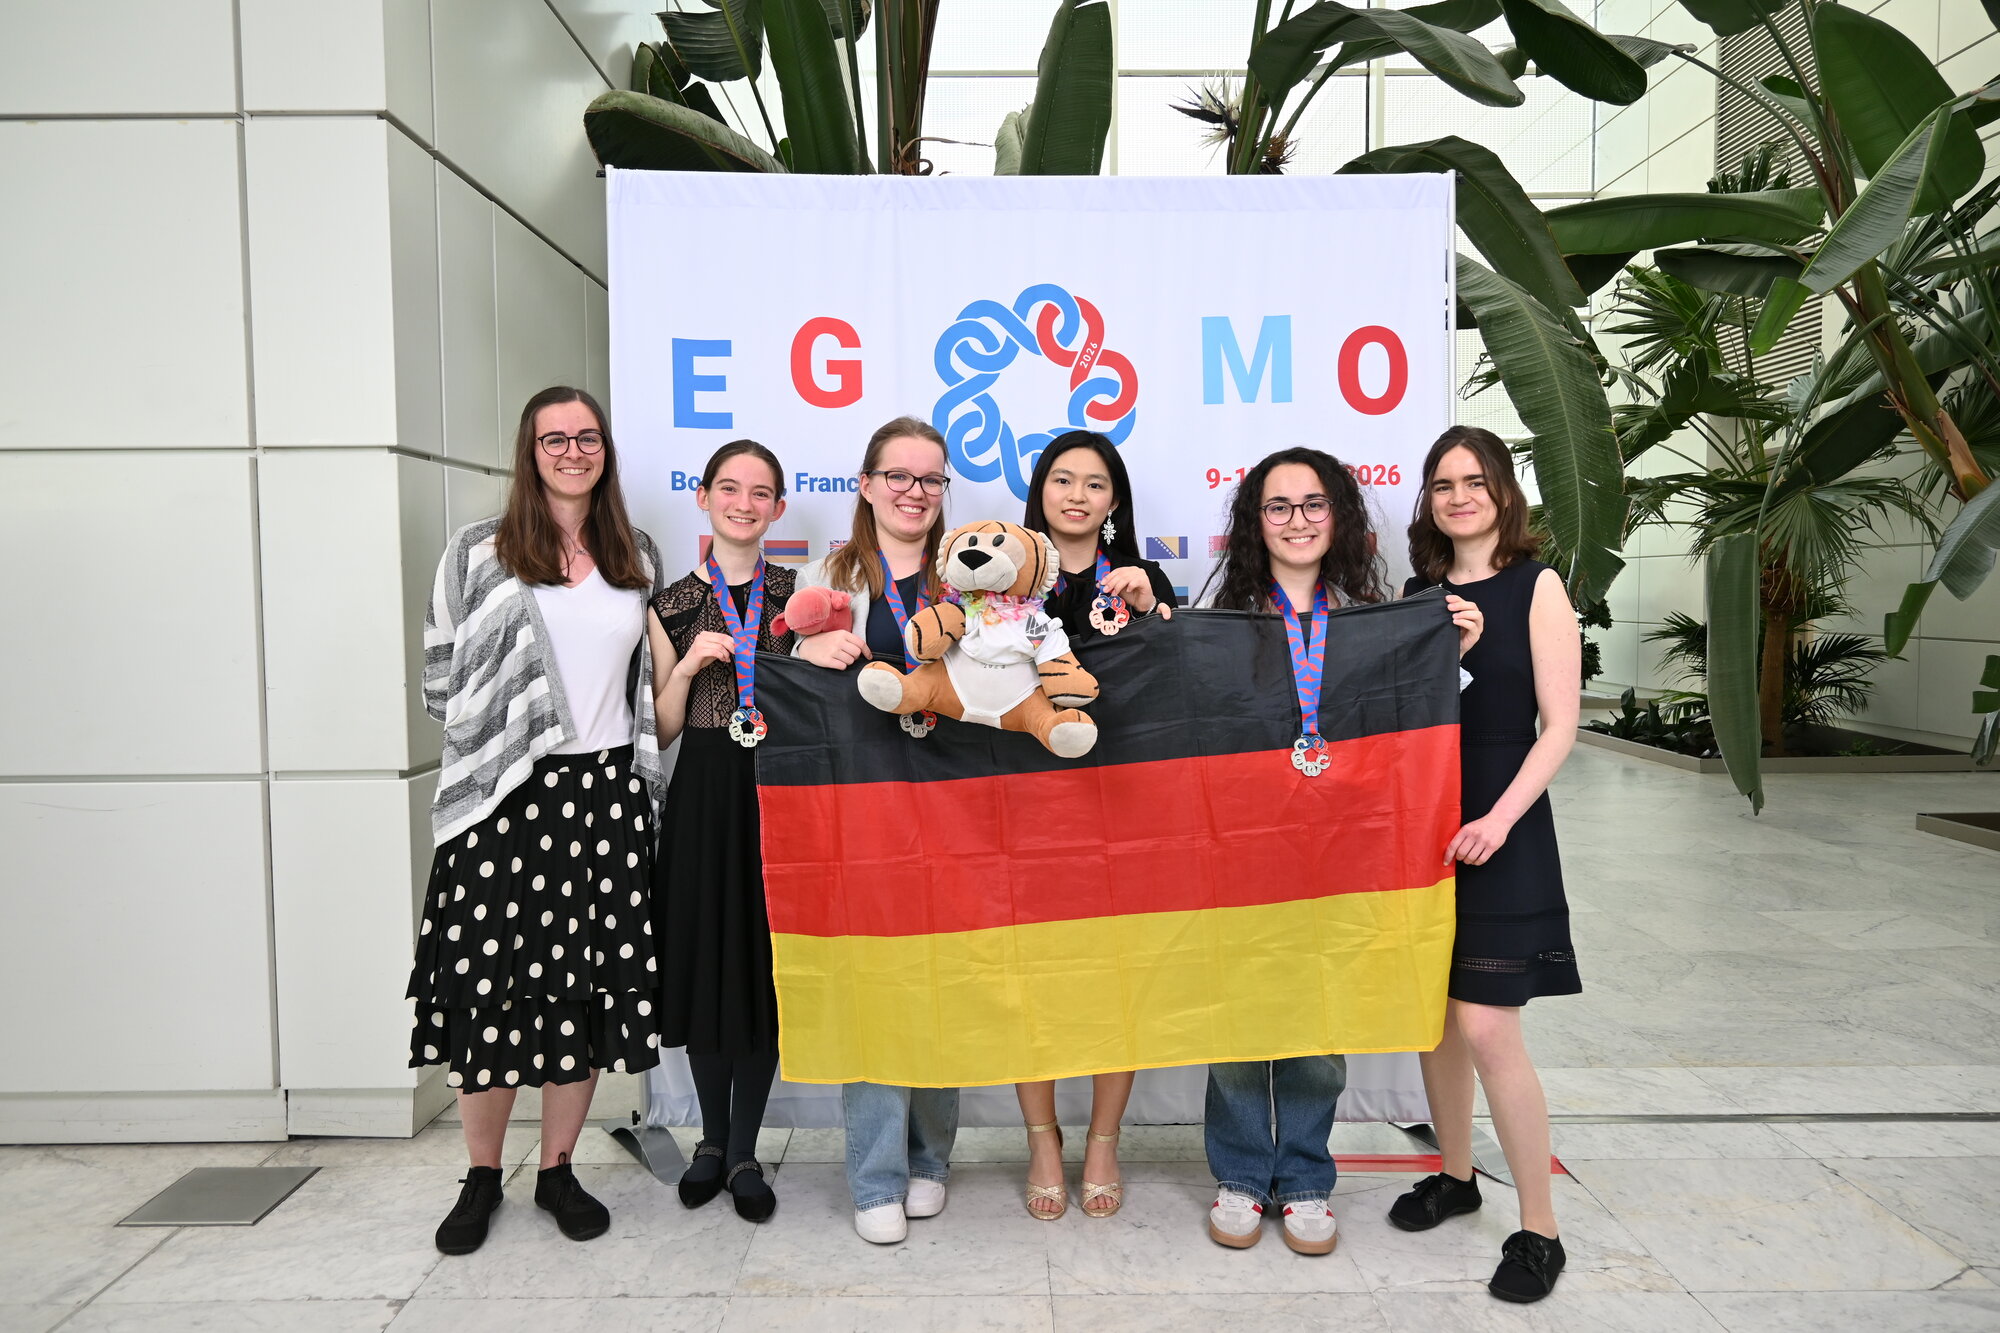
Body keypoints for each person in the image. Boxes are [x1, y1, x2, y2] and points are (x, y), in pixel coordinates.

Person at [1198, 447, 1482, 1257]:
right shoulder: (1222, 621)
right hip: (1245, 848)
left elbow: (1408, 727)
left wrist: (1450, 653)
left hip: (1340, 849)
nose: (1297, 520)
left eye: (1313, 504)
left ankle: (1308, 1176)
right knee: (1242, 1013)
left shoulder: (1375, 613)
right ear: (1255, 523)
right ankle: (1243, 1173)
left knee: (1321, 1013)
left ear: (1340, 516)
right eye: (1278, 506)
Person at [410, 386, 668, 1256]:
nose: (571, 450)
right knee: (490, 995)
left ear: (605, 450)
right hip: (502, 806)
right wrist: (504, 736)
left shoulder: (638, 553)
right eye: (553, 438)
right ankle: (482, 1175)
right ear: (530, 449)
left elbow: (641, 691)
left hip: (604, 803)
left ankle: (557, 1168)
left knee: (581, 994)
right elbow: (439, 683)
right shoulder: (476, 552)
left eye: (586, 436)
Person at [1390, 426, 1581, 1304]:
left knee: (1490, 1024)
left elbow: (1561, 726)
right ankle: (1458, 1177)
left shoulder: (1538, 585)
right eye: (1442, 484)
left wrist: (1500, 820)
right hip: (1426, 825)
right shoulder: (1416, 594)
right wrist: (1450, 654)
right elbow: (1399, 719)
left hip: (1501, 823)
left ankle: (1540, 1228)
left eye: (1474, 480)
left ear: (1503, 490)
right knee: (1436, 1016)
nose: (1458, 495)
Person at [792, 416, 962, 1245]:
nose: (914, 492)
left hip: (955, 815)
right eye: (898, 475)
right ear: (865, 484)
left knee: (940, 985)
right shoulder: (829, 575)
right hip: (861, 815)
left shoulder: (972, 569)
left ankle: (931, 1159)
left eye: (931, 479)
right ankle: (875, 1174)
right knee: (874, 989)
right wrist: (808, 650)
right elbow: (786, 690)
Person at [1009, 429, 1178, 1220]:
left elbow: (1186, 685)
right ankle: (1043, 1139)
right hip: (1020, 810)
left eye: (1095, 484)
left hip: (1124, 813)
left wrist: (1159, 614)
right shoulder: (998, 575)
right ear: (1040, 490)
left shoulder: (1142, 581)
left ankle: (1104, 1140)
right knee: (1032, 980)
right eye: (1063, 480)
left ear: (1115, 502)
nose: (1077, 495)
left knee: (1117, 980)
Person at [646, 440, 797, 1223]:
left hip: (774, 795)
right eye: (729, 488)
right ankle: (708, 1139)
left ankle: (744, 1147)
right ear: (703, 497)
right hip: (703, 789)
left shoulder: (798, 595)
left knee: (761, 964)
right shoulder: (667, 603)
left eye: (760, 491)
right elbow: (663, 731)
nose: (743, 502)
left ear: (777, 506)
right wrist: (685, 667)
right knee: (707, 961)